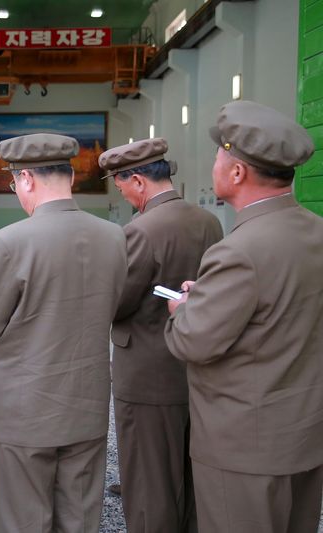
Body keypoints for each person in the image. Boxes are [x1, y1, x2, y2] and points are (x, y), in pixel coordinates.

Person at [165, 100, 323, 532]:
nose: (214, 166)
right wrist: (215, 296)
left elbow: (191, 341)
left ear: (237, 173)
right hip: (304, 435)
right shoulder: (316, 230)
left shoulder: (238, 251)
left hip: (244, 446)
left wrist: (183, 310)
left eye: (219, 157)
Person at [0, 133, 127, 533]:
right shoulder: (114, 236)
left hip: (24, 408)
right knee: (80, 516)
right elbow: (115, 306)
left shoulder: (9, 242)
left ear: (26, 180)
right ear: (69, 177)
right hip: (87, 402)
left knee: (22, 519)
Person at [97, 138, 222, 533]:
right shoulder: (208, 221)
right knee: (189, 465)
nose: (125, 196)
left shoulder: (140, 230)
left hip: (147, 370)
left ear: (137, 180)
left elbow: (118, 303)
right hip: (195, 362)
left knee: (149, 475)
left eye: (121, 187)